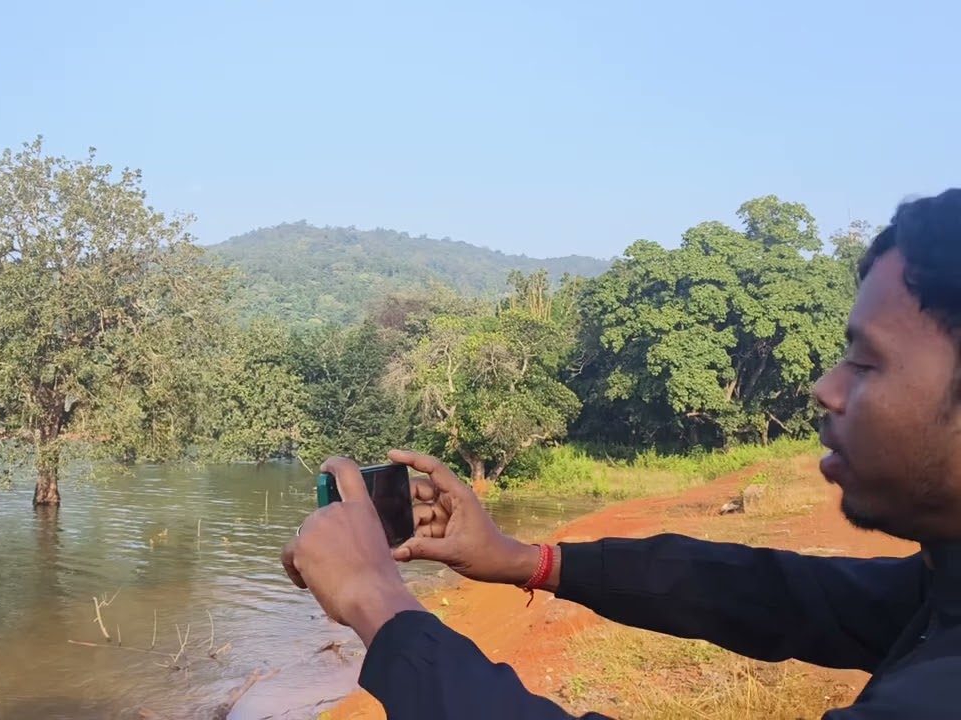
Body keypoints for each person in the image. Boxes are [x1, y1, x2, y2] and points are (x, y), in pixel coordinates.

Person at [281, 188, 961, 719]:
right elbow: (780, 596)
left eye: (867, 364)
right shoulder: (942, 589)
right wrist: (526, 560)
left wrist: (378, 602)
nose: (825, 389)